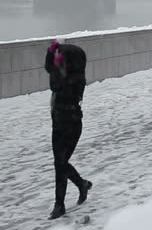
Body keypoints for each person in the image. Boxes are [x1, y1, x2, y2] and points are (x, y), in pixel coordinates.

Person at [45, 39, 93, 219]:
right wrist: (52, 53)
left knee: (60, 163)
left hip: (72, 123)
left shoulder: (77, 79)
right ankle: (81, 184)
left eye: (63, 59)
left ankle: (60, 205)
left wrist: (58, 67)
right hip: (57, 121)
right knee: (60, 162)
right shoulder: (62, 73)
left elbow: (62, 85)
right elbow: (50, 69)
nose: (60, 61)